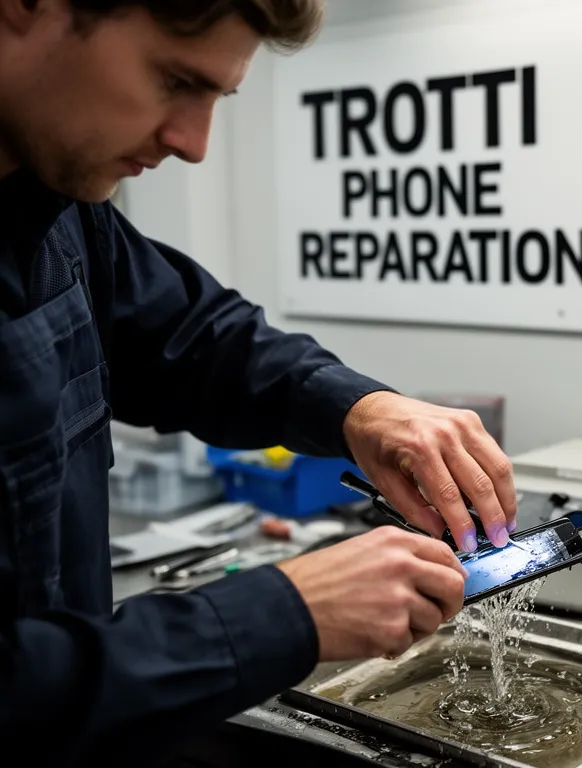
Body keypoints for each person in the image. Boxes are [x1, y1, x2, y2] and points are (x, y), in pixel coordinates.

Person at [0, 1, 519, 764]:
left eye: (218, 97)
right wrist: (286, 611)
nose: (195, 143)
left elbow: (190, 338)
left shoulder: (56, 212)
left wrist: (360, 409)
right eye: (174, 79)